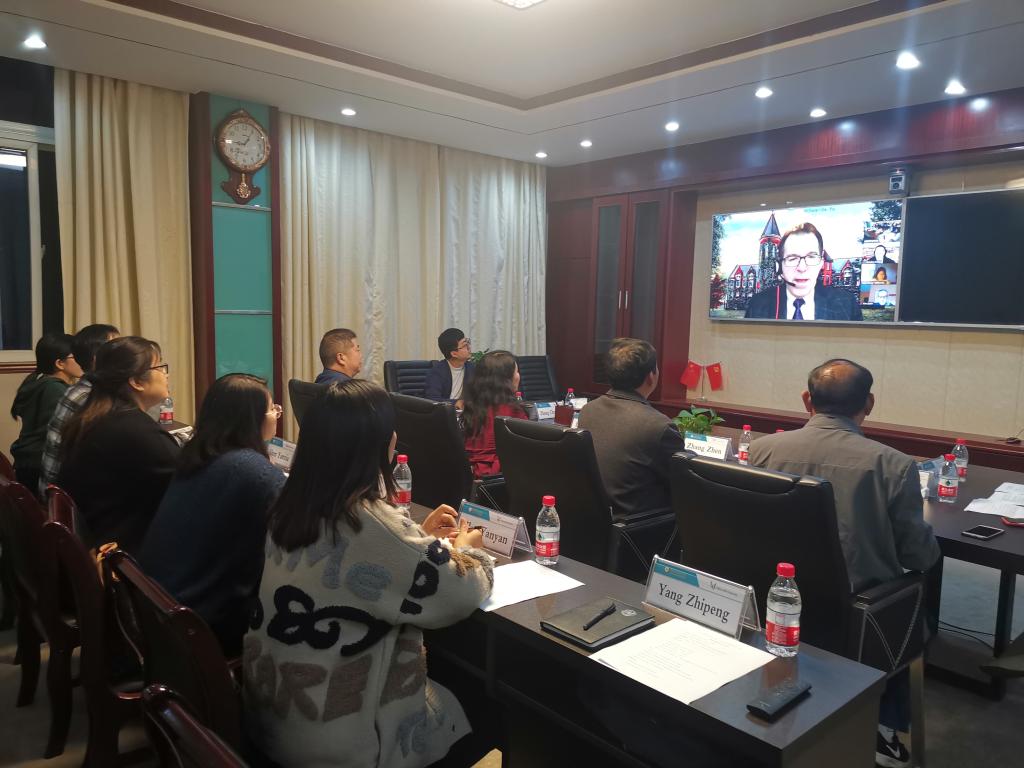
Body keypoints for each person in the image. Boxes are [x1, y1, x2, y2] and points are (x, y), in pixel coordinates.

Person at [243, 379, 494, 768]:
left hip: (274, 719)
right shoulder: (367, 521)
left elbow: (364, 559)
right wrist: (466, 550)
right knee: (491, 706)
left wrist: (418, 537)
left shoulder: (291, 505)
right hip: (340, 743)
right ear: (383, 445)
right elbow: (460, 592)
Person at [747, 358, 940, 768]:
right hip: (862, 616)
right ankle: (884, 730)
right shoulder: (894, 465)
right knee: (912, 600)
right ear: (868, 403)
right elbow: (917, 555)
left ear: (807, 400)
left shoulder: (762, 450)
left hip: (777, 602)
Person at [139, 374, 285, 657]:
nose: (276, 415)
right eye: (272, 409)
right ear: (251, 419)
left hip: (160, 607)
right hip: (203, 624)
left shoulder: (197, 454)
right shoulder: (253, 472)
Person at [56, 336, 180, 553]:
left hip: (98, 536)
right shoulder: (131, 429)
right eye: (160, 368)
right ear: (136, 382)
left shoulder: (97, 414)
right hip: (121, 554)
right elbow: (188, 479)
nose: (166, 375)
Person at [577, 338, 686, 520]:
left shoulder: (588, 411)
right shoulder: (658, 426)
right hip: (641, 526)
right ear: (651, 376)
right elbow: (684, 484)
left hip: (596, 521)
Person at [38, 323, 120, 497]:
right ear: (97, 358)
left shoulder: (83, 388)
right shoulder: (89, 398)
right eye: (117, 348)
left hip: (58, 492)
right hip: (63, 500)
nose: (125, 353)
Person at [9, 333, 82, 494]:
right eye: (76, 356)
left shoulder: (38, 380)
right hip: (38, 463)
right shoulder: (55, 389)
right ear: (60, 363)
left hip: (26, 462)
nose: (82, 360)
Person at [745, 223, 863, 321]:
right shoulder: (757, 305)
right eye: (792, 258)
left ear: (821, 262)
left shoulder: (847, 304)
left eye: (811, 257)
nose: (802, 268)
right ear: (780, 266)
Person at [462, 350, 529, 478]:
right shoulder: (511, 410)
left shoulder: (474, 406)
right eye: (516, 372)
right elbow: (527, 446)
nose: (518, 376)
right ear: (505, 380)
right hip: (497, 475)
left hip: (471, 473)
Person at [424, 328, 474, 404]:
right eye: (464, 345)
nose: (469, 347)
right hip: (446, 410)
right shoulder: (437, 372)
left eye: (468, 342)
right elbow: (433, 400)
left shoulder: (472, 368)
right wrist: (456, 403)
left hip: (467, 410)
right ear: (454, 354)